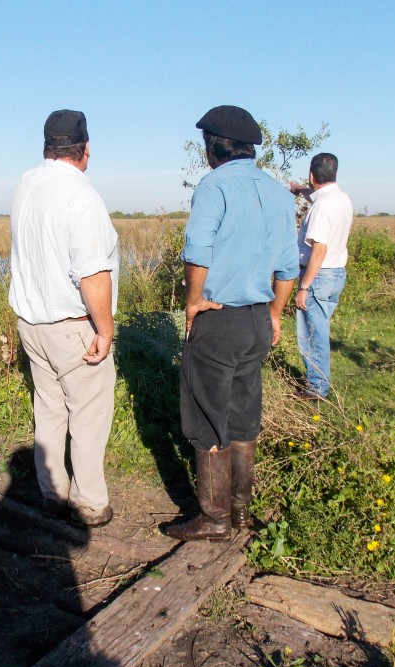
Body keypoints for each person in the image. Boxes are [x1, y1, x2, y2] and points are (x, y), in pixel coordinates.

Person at [162, 105, 299, 542]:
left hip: (219, 319)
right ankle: (241, 512)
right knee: (243, 416)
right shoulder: (279, 193)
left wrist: (193, 302)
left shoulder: (214, 186)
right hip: (259, 318)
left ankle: (214, 519)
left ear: (211, 147)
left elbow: (198, 251)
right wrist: (275, 314)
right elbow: (287, 267)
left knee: (208, 416)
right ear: (249, 149)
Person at [9, 109, 119, 527]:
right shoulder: (82, 196)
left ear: (46, 147)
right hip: (73, 325)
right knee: (88, 414)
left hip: (31, 322)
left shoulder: (26, 184)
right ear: (85, 150)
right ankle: (89, 502)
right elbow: (92, 273)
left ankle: (52, 493)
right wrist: (105, 330)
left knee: (50, 408)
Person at [289, 152, 353, 400]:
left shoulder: (321, 208)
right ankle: (319, 383)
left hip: (318, 276)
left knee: (313, 336)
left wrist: (304, 287)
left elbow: (319, 249)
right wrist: (300, 190)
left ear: (311, 174)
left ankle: (317, 389)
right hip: (336, 274)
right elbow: (316, 195)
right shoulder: (341, 199)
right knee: (321, 331)